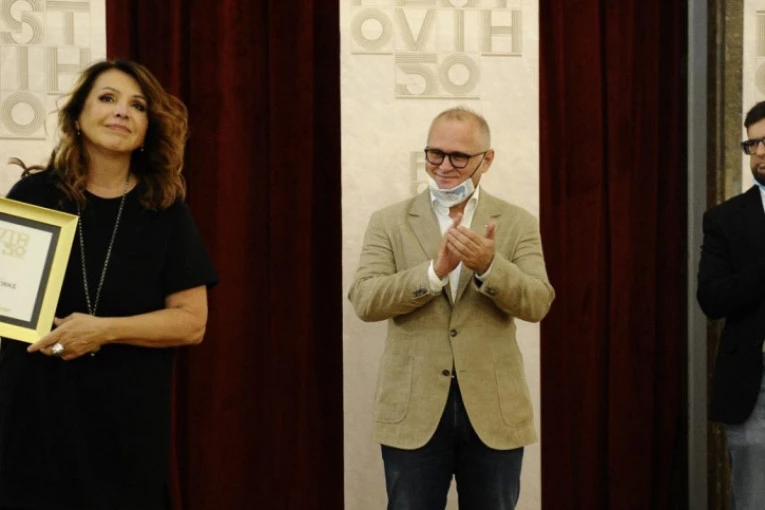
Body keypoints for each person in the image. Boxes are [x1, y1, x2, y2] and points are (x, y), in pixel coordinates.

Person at [0, 59, 218, 510]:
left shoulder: (164, 210)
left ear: (146, 129)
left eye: (137, 106)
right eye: (107, 98)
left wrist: (103, 330)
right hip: (34, 418)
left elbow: (192, 322)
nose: (122, 111)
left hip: (125, 426)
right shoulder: (33, 196)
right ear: (77, 117)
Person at [348, 107, 555, 509]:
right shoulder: (389, 221)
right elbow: (365, 299)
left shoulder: (517, 222)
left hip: (494, 412)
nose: (443, 167)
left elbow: (537, 302)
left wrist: (489, 267)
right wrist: (433, 273)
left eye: (458, 157)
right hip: (413, 412)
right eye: (435, 154)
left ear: (486, 160)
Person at [697, 100, 765, 510]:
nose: (759, 153)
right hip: (755, 386)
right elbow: (712, 299)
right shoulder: (725, 219)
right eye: (752, 144)